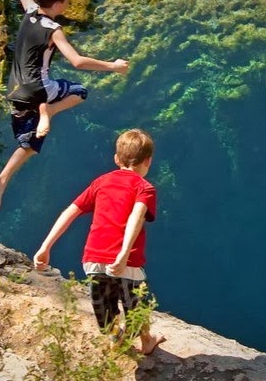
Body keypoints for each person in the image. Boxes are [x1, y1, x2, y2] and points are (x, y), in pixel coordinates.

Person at [0, 0, 130, 213]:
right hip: (40, 89)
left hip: (15, 91)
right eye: (65, 2)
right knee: (79, 92)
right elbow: (76, 61)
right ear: (59, 3)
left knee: (29, 142)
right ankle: (48, 112)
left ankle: (2, 179)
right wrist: (113, 66)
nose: (66, 5)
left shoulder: (29, 12)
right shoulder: (54, 30)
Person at [33, 129, 166, 355]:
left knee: (105, 310)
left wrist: (45, 247)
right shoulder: (145, 188)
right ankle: (146, 341)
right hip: (127, 263)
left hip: (93, 259)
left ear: (116, 159)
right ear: (148, 161)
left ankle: (117, 338)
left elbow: (71, 211)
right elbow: (137, 216)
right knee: (137, 306)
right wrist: (123, 254)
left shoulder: (101, 182)